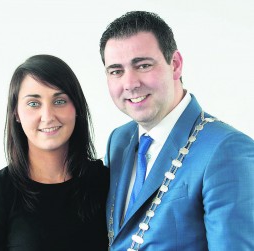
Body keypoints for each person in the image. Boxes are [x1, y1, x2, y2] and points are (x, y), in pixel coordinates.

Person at [99, 11, 254, 251]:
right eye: (116, 71)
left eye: (143, 65)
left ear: (175, 65)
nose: (130, 83)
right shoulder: (119, 140)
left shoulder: (226, 149)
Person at [0, 54, 109, 251]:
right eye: (34, 103)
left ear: (76, 107)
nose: (47, 116)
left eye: (59, 101)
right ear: (16, 113)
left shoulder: (104, 181)